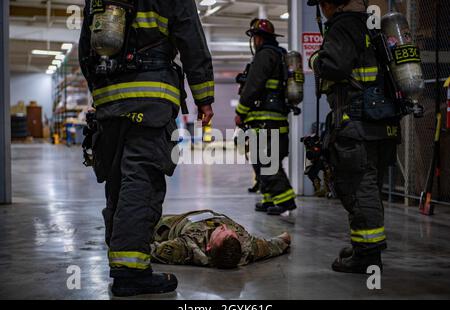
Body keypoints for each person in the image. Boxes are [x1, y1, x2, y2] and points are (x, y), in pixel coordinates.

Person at [79, 0, 214, 296]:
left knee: (117, 180)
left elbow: (84, 46)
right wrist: (204, 95)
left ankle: (121, 261)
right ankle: (131, 273)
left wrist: (100, 92)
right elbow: (191, 37)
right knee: (141, 180)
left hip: (108, 99)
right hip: (151, 97)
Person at [307, 0, 401, 273]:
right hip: (382, 125)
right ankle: (364, 247)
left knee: (359, 189)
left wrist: (316, 59)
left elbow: (334, 66)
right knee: (370, 187)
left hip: (357, 125)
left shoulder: (343, 26)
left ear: (329, 4)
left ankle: (368, 256)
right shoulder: (371, 26)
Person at [235, 18, 297, 216]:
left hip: (264, 119)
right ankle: (270, 198)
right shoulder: (279, 55)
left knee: (266, 161)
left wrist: (240, 112)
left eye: (254, 38)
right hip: (276, 118)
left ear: (258, 38)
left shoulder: (264, 56)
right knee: (267, 160)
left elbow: (253, 86)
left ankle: (285, 200)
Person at [150, 210, 291, 268]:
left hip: (172, 222)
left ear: (209, 247)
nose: (224, 227)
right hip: (200, 215)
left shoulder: (187, 247)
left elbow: (153, 251)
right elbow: (275, 245)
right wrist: (285, 238)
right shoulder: (248, 247)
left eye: (221, 232)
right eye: (230, 232)